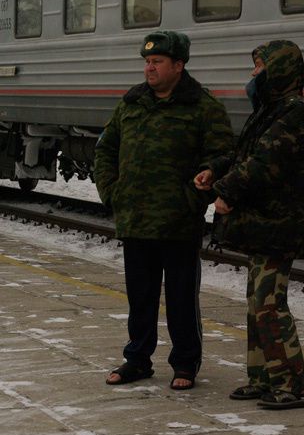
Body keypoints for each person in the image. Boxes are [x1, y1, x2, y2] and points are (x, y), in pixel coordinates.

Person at [94, 31, 234, 390]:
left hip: (178, 220)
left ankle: (185, 363)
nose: (149, 67)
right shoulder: (132, 102)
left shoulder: (203, 106)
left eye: (157, 62)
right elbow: (105, 150)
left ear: (178, 65)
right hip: (136, 218)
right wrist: (112, 192)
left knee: (181, 299)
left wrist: (205, 180)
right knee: (140, 297)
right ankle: (137, 360)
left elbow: (223, 153)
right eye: (146, 61)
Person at [194, 40, 304, 410]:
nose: (252, 76)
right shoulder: (273, 110)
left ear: (277, 71)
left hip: (281, 224)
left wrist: (227, 192)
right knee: (256, 302)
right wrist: (216, 170)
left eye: (258, 69)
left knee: (268, 303)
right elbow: (243, 156)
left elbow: (264, 164)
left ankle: (292, 385)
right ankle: (263, 377)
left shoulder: (295, 114)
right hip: (266, 223)